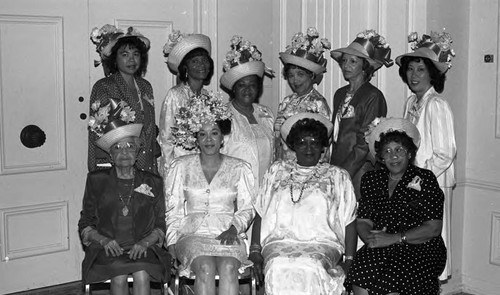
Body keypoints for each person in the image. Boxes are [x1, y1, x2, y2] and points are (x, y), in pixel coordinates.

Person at [250, 113, 357, 295]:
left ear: (323, 146)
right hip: (278, 242)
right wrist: (254, 250)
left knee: (310, 265)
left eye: (314, 142)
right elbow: (260, 211)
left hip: (323, 243)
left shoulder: (338, 176)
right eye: (302, 142)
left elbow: (350, 220)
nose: (308, 148)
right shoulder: (277, 171)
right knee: (277, 265)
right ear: (293, 145)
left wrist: (349, 260)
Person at [164, 91, 255, 295]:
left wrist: (235, 228)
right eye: (202, 134)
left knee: (229, 268)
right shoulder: (180, 166)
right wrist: (171, 243)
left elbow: (248, 207)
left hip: (228, 234)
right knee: (205, 269)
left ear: (222, 136)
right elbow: (173, 209)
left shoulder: (240, 167)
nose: (208, 139)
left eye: (214, 132)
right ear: (195, 137)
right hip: (192, 235)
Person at [346, 117, 446, 295]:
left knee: (390, 281)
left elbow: (433, 228)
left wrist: (395, 238)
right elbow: (363, 220)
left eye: (399, 150)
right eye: (387, 151)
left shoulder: (425, 179)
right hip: (382, 243)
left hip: (419, 246)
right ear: (381, 157)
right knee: (360, 273)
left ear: (409, 153)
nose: (393, 156)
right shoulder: (371, 180)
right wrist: (372, 238)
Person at [80, 100, 170, 295]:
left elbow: (161, 223)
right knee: (119, 277)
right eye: (117, 148)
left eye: (130, 147)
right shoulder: (96, 180)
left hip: (143, 248)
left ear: (137, 151)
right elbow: (85, 222)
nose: (124, 153)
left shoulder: (153, 181)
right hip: (108, 249)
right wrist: (103, 240)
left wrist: (146, 242)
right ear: (110, 155)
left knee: (142, 274)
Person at [396, 31, 456, 281]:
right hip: (413, 183)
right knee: (413, 243)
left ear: (432, 73)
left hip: (434, 183)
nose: (414, 75)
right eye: (410, 69)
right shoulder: (410, 103)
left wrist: (419, 178)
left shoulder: (436, 105)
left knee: (432, 242)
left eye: (421, 69)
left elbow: (444, 153)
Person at [330, 29, 393, 200]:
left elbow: (364, 144)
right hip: (336, 166)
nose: (346, 66)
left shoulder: (373, 96)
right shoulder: (339, 94)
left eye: (352, 61)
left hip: (359, 172)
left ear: (364, 66)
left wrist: (343, 173)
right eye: (344, 61)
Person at [88, 25, 158, 174]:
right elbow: (99, 133)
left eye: (136, 54)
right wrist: (104, 170)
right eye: (125, 54)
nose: (131, 59)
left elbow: (150, 129)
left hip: (146, 162)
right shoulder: (104, 86)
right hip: (117, 162)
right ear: (114, 58)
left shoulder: (145, 86)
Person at [220, 35, 275, 186]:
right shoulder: (222, 115)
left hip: (265, 194)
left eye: (252, 85)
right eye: (242, 85)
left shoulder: (266, 114)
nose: (247, 90)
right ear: (233, 88)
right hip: (235, 194)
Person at [159, 31, 214, 176]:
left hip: (205, 167)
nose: (201, 65)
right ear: (185, 68)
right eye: (194, 61)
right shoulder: (175, 95)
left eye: (204, 60)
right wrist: (170, 175)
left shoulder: (208, 97)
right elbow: (166, 140)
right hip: (181, 168)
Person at [275, 27, 332, 162]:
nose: (295, 80)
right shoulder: (286, 101)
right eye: (291, 75)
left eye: (300, 74)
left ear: (311, 75)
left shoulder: (318, 103)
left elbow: (323, 142)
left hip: (308, 166)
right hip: (284, 165)